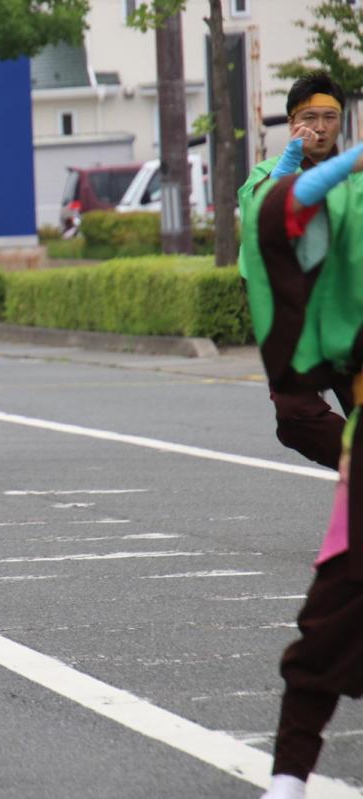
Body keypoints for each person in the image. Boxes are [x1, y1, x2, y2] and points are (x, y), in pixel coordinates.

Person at [241, 136, 363, 799]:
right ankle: (288, 779)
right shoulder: (347, 206)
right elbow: (282, 219)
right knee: (331, 619)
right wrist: (338, 167)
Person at [238, 72, 353, 469]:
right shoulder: (266, 175)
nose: (320, 128)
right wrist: (288, 161)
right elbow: (260, 216)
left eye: (329, 116)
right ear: (291, 122)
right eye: (309, 117)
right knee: (295, 418)